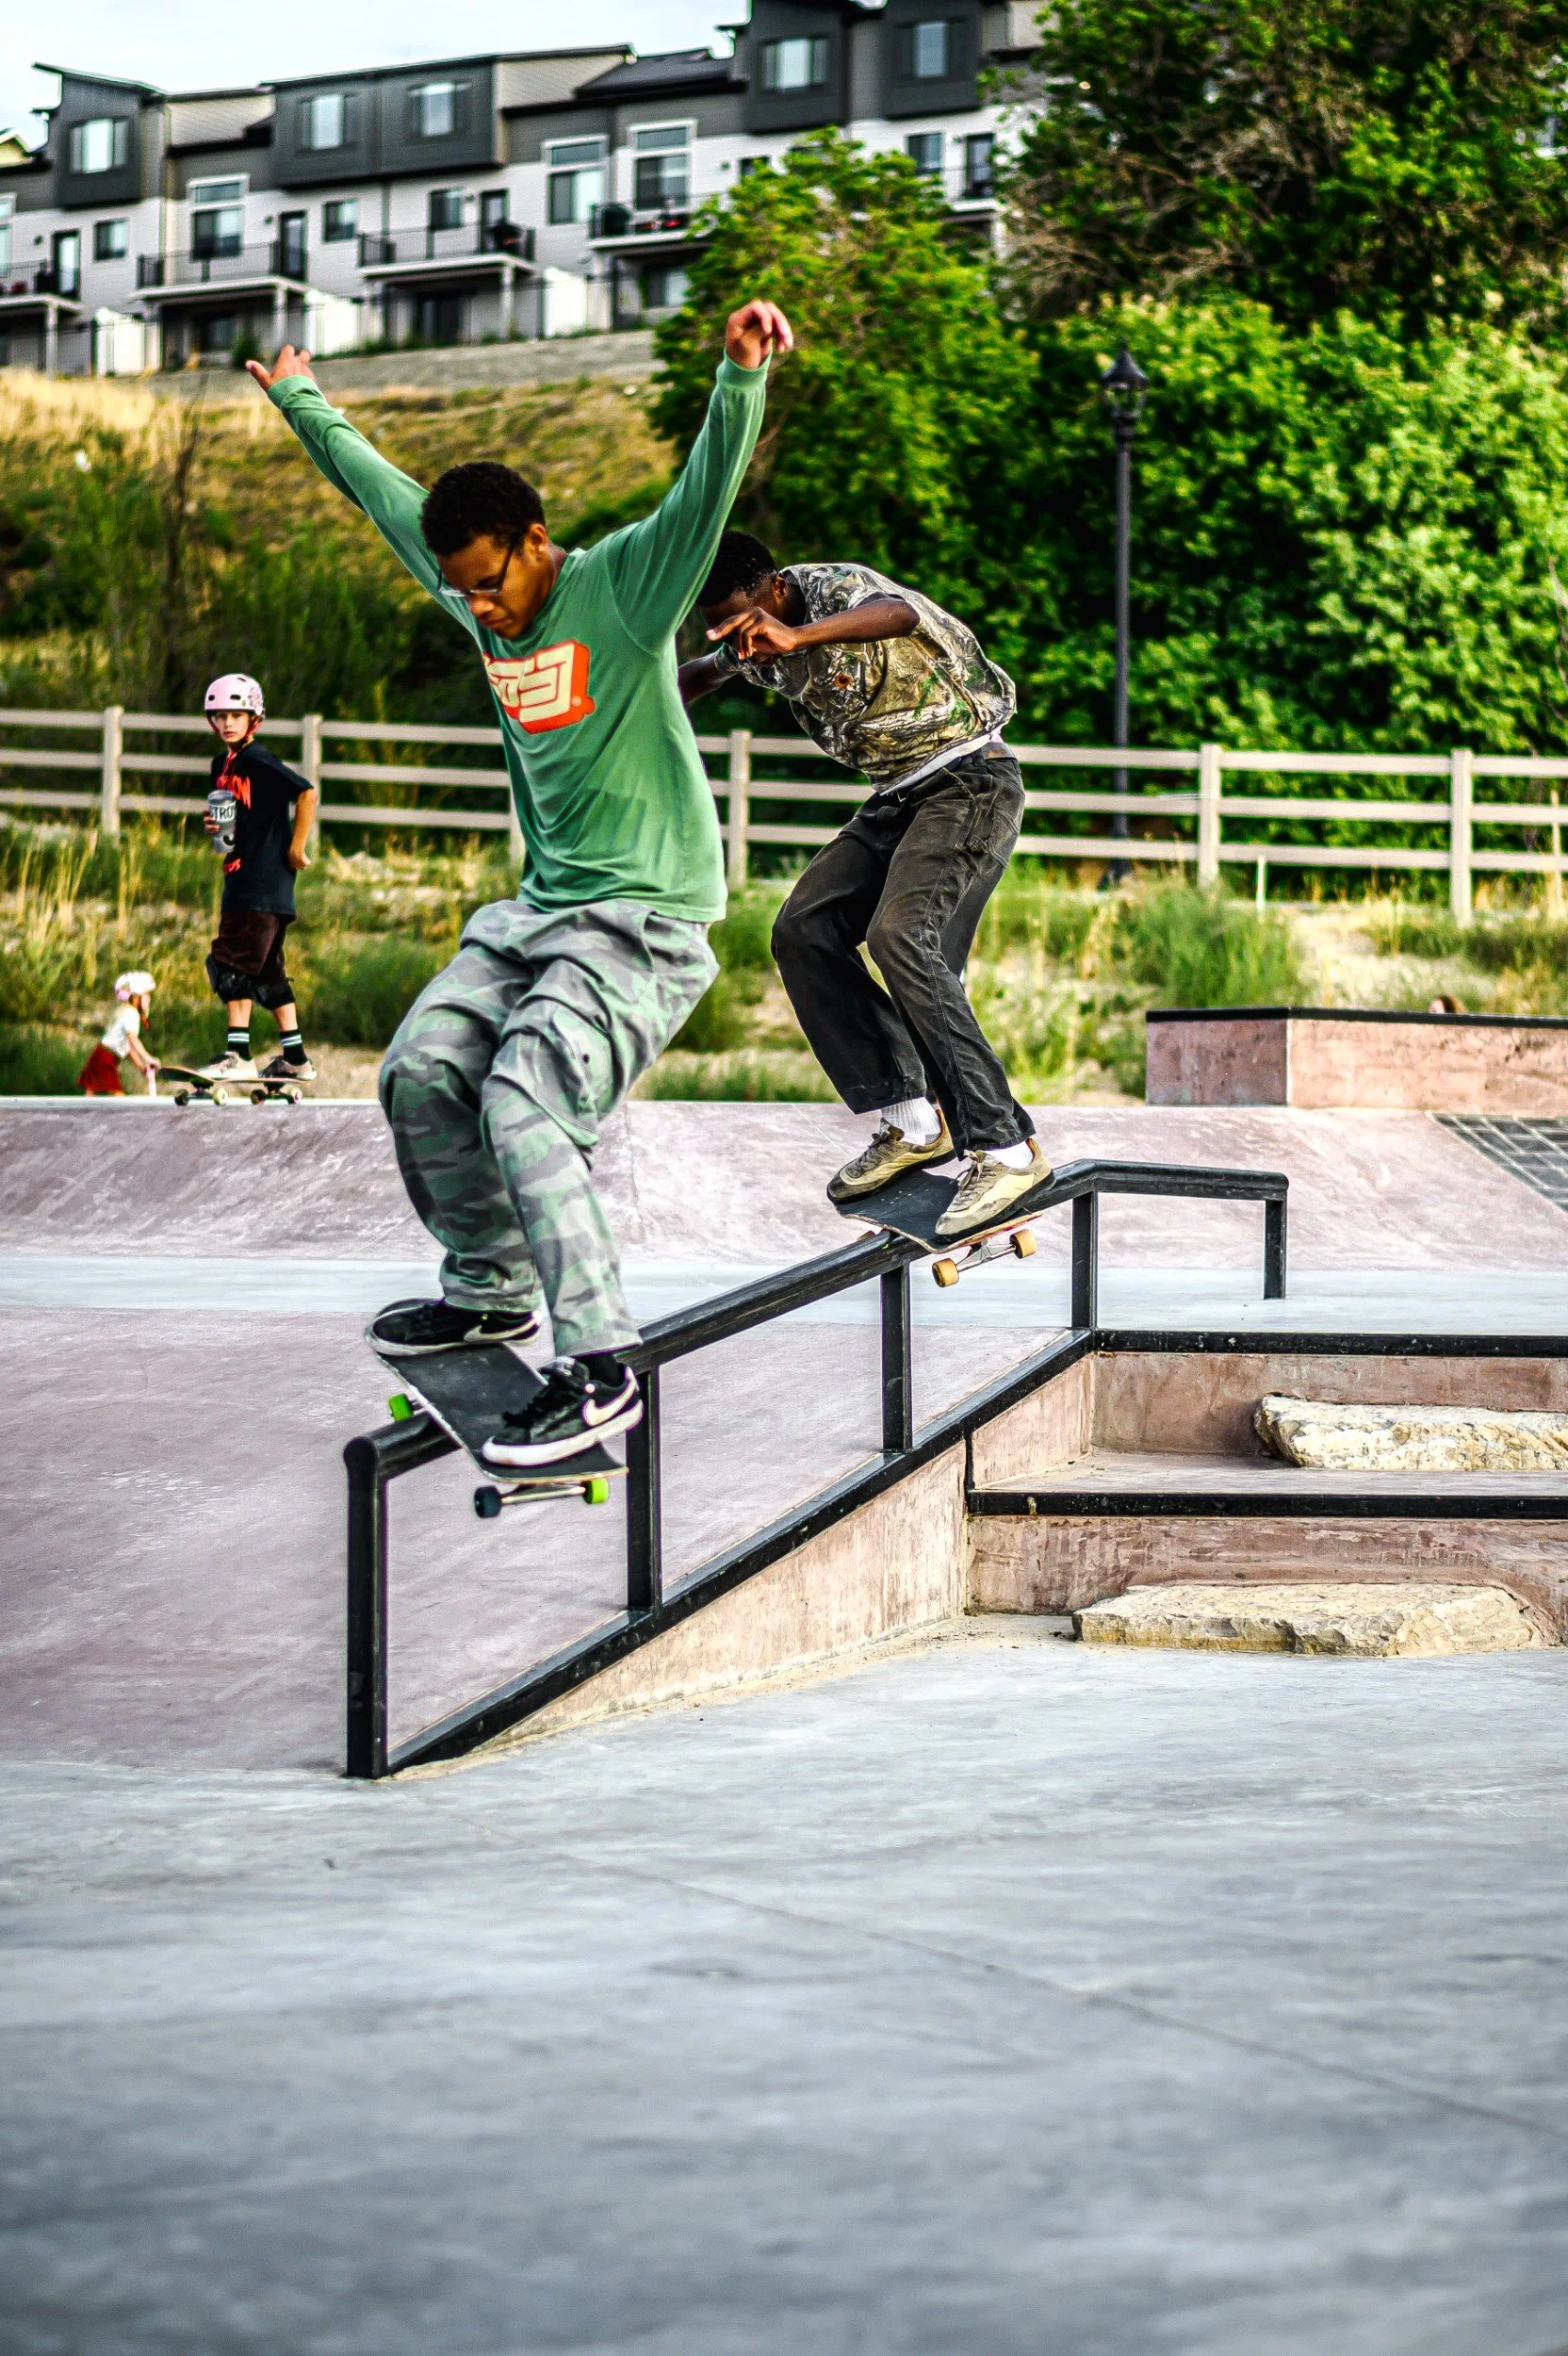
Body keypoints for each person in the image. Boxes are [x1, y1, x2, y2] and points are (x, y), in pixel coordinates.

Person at [246, 296, 792, 1469]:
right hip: (538, 910)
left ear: (536, 542)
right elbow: (377, 490)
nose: (480, 610)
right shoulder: (465, 584)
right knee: (421, 1069)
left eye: (493, 584)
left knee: (524, 1097)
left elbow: (701, 496)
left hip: (645, 917)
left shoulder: (624, 589)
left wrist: (737, 376)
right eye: (465, 591)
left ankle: (602, 1364)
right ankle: (489, 1289)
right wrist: (300, 399)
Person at [680, 532, 1047, 1240]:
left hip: (968, 779)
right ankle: (913, 1122)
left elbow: (897, 615)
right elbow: (695, 676)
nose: (743, 643)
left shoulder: (831, 591)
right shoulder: (745, 637)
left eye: (745, 622)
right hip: (895, 798)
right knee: (802, 928)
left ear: (774, 588)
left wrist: (798, 634)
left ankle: (1003, 1147)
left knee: (902, 936)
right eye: (723, 628)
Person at [200, 673, 319, 1087]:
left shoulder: (257, 759)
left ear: (255, 719)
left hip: (262, 881)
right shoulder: (223, 764)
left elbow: (306, 793)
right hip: (241, 876)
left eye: (236, 715)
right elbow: (238, 814)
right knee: (268, 974)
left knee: (229, 963)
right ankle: (296, 1058)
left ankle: (239, 1054)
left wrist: (296, 848)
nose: (227, 723)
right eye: (220, 716)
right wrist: (218, 828)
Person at [79, 971, 157, 1096]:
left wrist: (141, 1066)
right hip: (105, 1057)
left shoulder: (127, 1012)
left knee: (92, 1096)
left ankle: (84, 1115)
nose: (148, 999)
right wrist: (148, 1058)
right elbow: (133, 1041)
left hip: (101, 1055)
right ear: (136, 997)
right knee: (118, 1097)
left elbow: (130, 1048)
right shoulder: (131, 1014)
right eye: (146, 995)